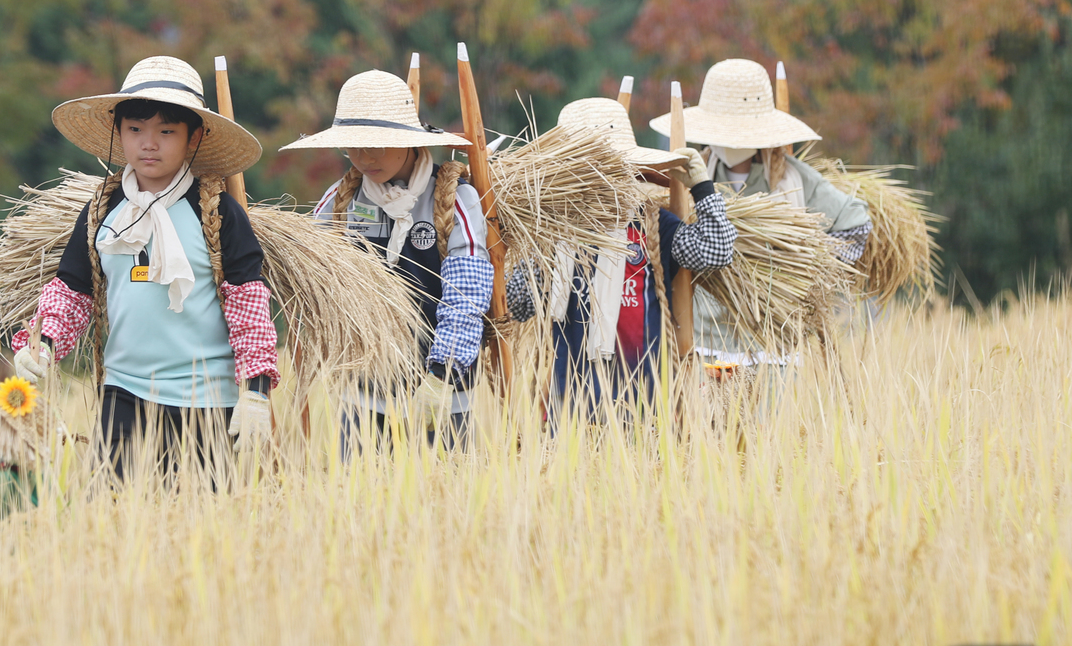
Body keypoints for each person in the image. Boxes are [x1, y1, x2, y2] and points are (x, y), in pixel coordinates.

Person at [9, 56, 280, 477]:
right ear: (119, 134)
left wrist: (257, 391)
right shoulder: (103, 211)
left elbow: (249, 306)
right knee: (112, 522)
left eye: (166, 132)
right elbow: (72, 290)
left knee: (200, 531)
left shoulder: (218, 214)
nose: (148, 144)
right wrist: (42, 343)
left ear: (194, 138)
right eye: (135, 130)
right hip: (124, 394)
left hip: (205, 401)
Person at [282, 69, 490, 449]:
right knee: (362, 500)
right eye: (354, 145)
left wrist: (443, 374)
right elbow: (313, 284)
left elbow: (468, 290)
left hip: (442, 387)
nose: (365, 157)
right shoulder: (340, 203)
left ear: (407, 141)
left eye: (377, 143)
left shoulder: (455, 198)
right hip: (364, 391)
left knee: (449, 498)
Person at [507, 97, 736, 419]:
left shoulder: (652, 225)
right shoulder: (554, 235)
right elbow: (517, 305)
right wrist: (540, 244)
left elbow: (716, 251)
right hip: (567, 408)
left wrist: (702, 189)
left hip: (643, 405)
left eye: (611, 167)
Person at [648, 58, 871, 362]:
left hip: (774, 344)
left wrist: (812, 265)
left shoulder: (793, 178)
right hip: (706, 340)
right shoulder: (691, 176)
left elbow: (855, 223)